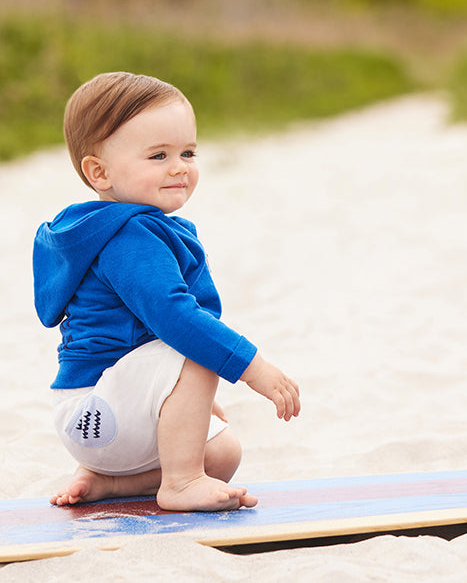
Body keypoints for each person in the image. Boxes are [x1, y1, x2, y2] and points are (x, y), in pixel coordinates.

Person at [33, 72, 300, 512]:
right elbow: (175, 318)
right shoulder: (128, 237)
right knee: (196, 346)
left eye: (187, 152)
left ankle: (114, 482)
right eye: (158, 155)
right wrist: (253, 368)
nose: (179, 167)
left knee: (223, 453)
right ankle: (180, 483)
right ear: (99, 172)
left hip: (105, 421)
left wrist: (189, 401)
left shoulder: (129, 228)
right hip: (96, 410)